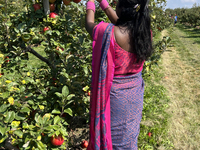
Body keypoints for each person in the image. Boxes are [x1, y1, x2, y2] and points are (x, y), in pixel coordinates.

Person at [85, 0, 153, 149]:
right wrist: (103, 3)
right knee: (129, 136)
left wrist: (90, 3)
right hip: (135, 93)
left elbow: (89, 25)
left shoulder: (108, 32)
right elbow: (122, 25)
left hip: (114, 98)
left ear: (121, 9)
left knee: (114, 140)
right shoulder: (144, 32)